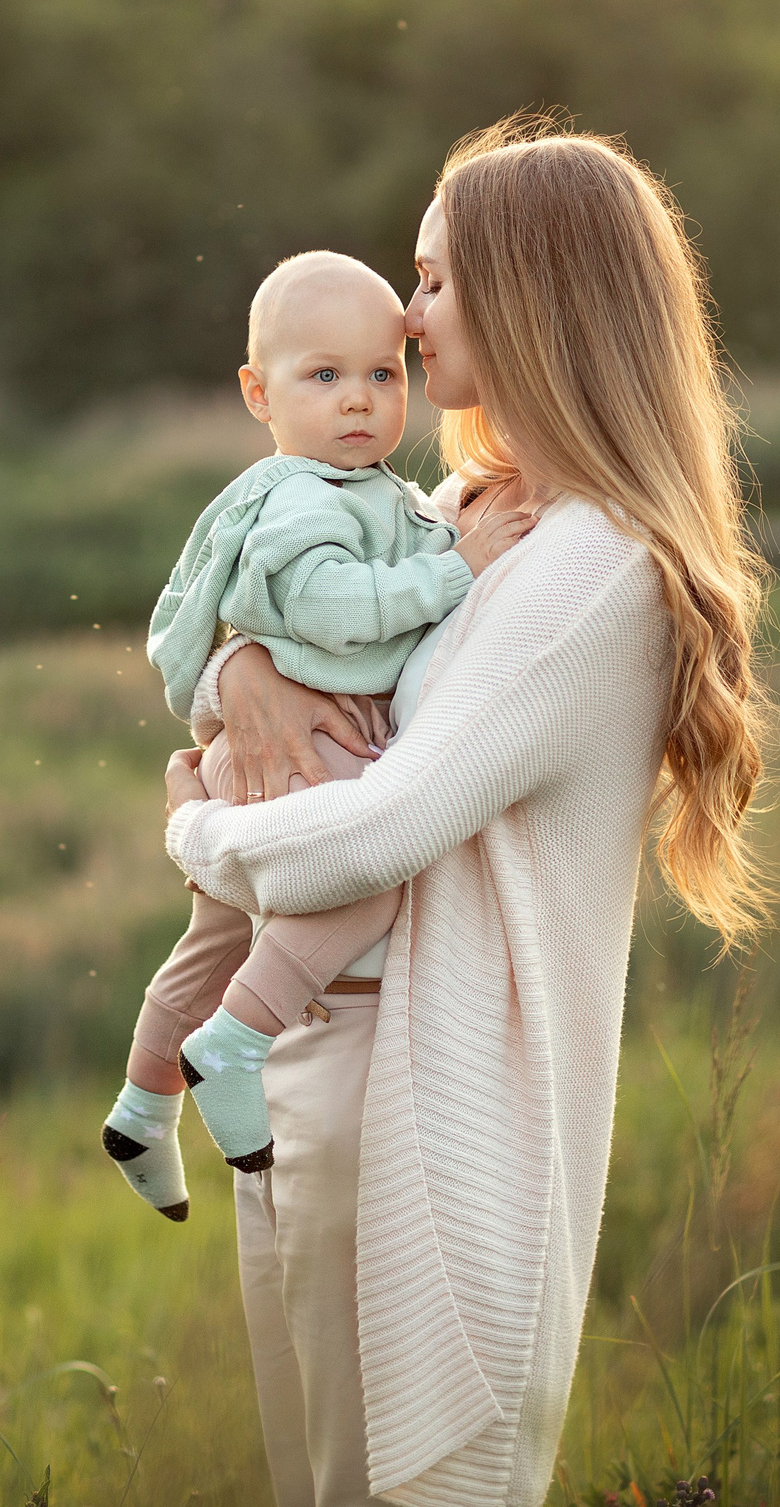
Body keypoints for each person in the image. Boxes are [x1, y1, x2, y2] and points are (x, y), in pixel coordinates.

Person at [161, 118, 775, 1507]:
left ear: (533, 293)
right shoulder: (468, 512)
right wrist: (238, 669)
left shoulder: (591, 569)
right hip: (325, 1071)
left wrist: (194, 832)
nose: (404, 309)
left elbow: (389, 823)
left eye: (434, 279)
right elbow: (288, 620)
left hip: (432, 1112)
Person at [100, 250, 538, 1220]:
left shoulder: (358, 487)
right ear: (259, 392)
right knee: (371, 875)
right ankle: (237, 1042)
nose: (359, 401)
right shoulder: (303, 497)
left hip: (267, 750)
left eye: (383, 374)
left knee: (213, 937)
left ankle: (140, 1105)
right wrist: (455, 569)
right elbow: (332, 609)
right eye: (325, 376)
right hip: (304, 753)